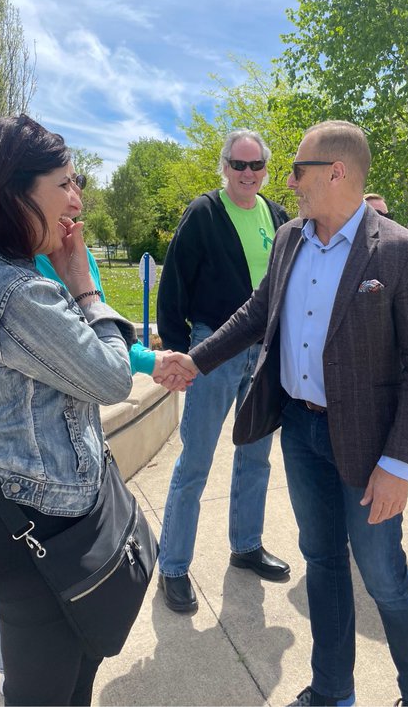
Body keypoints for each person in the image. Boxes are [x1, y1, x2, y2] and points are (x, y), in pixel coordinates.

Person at [167, 120, 408, 706]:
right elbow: (254, 313)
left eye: (297, 170)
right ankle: (332, 692)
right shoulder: (291, 237)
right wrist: (194, 361)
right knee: (321, 563)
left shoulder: (404, 253)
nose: (288, 183)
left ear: (336, 172)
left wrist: (400, 462)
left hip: (371, 447)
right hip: (299, 428)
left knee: (382, 575)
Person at [0, 114, 139, 706]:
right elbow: (112, 378)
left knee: (75, 672)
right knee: (46, 690)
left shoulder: (0, 271)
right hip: (39, 523)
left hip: (38, 513)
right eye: (66, 183)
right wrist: (84, 287)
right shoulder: (19, 290)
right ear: (17, 190)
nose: (78, 198)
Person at [154, 128, 292, 614]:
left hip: (264, 351)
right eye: (239, 165)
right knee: (195, 463)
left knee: (256, 457)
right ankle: (172, 566)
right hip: (212, 349)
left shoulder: (278, 216)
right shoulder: (203, 213)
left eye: (256, 166)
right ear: (224, 166)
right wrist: (174, 354)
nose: (248, 174)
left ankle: (246, 546)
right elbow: (173, 284)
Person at [34, 169, 160, 377]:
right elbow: (105, 372)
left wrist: (149, 360)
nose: (77, 203)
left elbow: (102, 333)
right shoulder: (20, 272)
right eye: (64, 184)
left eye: (78, 181)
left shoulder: (83, 256)